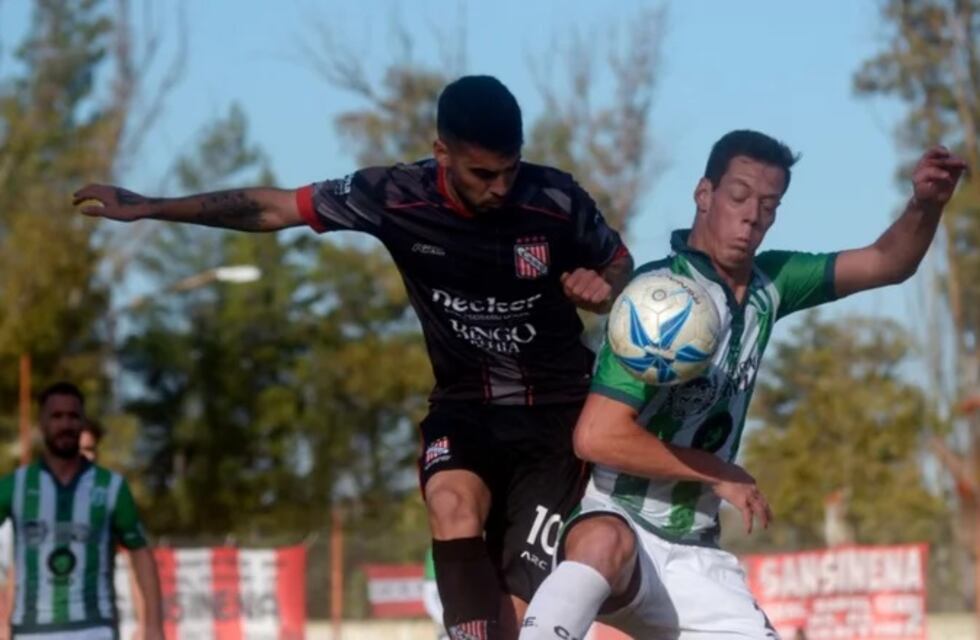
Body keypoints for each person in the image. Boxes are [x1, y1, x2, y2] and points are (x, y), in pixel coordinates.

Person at [73, 75, 634, 639]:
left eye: (510, 170)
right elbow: (272, 209)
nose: (499, 188)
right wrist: (150, 208)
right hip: (466, 406)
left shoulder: (556, 200)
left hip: (555, 420)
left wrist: (602, 285)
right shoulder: (394, 195)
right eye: (482, 174)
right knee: (450, 501)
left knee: (512, 619)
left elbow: (619, 264)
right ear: (442, 152)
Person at [518, 130, 966, 639]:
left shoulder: (771, 284)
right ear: (703, 194)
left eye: (769, 205)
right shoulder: (657, 298)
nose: (753, 215)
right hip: (620, 528)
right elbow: (597, 436)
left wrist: (925, 205)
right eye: (739, 196)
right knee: (600, 542)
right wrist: (717, 471)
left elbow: (888, 262)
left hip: (697, 556)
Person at [0, 382, 164, 640]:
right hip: (31, 631)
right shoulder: (14, 486)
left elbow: (140, 554)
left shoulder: (111, 487)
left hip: (94, 628)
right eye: (56, 416)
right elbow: (11, 568)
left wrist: (153, 627)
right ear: (42, 423)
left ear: (82, 423)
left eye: (73, 416)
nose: (65, 424)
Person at [422, 546, 449, 640]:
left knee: (437, 611)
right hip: (433, 580)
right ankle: (446, 633)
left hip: (438, 580)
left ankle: (446, 633)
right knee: (436, 611)